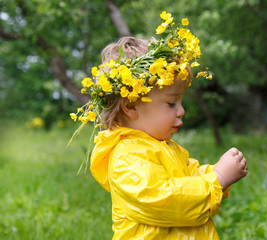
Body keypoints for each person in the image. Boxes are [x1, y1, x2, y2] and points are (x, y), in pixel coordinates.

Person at [71, 11, 247, 240]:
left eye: (181, 102)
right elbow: (167, 200)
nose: (181, 110)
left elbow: (188, 178)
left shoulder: (167, 147)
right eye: (171, 102)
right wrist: (219, 178)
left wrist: (215, 171)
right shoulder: (126, 157)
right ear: (131, 107)